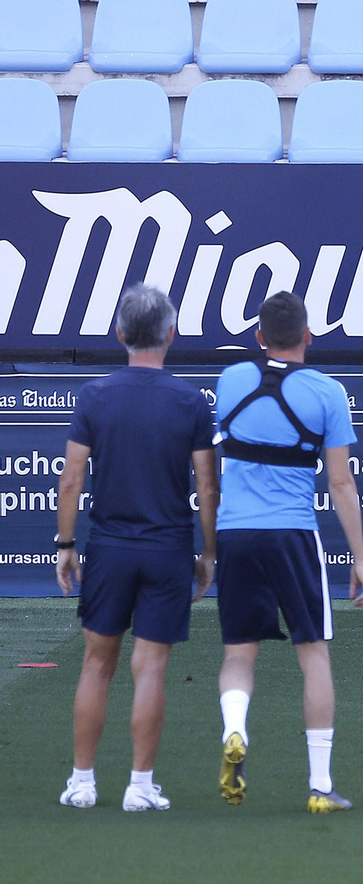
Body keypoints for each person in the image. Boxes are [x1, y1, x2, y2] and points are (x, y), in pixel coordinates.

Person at [54, 283, 218, 812]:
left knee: (96, 663)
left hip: (110, 547)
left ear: (120, 333)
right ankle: (140, 786)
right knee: (149, 668)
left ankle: (83, 782)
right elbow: (207, 485)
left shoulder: (96, 395)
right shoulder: (191, 400)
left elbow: (71, 480)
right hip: (167, 548)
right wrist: (209, 553)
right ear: (171, 334)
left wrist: (65, 544)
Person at [212, 291, 363, 813]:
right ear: (309, 336)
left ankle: (235, 729)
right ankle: (320, 787)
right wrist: (360, 558)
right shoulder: (327, 391)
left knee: (239, 653)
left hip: (235, 534)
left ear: (258, 338)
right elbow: (342, 483)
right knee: (314, 657)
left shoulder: (231, 379)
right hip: (293, 535)